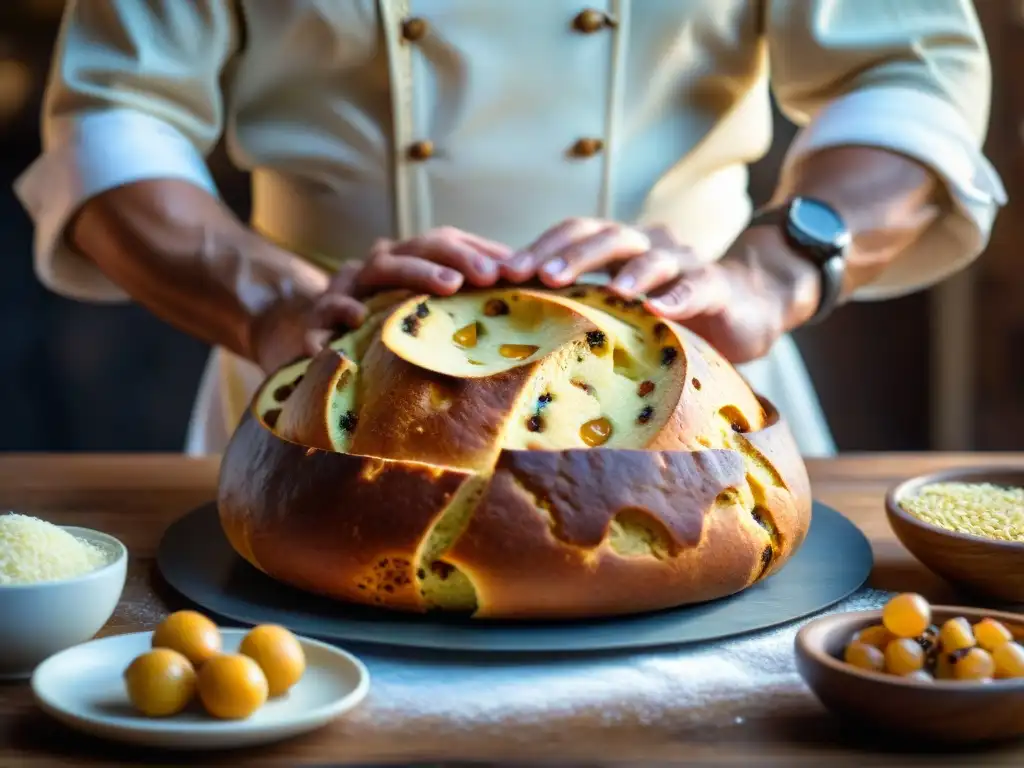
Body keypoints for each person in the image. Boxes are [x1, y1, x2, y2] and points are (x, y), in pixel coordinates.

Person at [15, 0, 1005, 458]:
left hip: (687, 381)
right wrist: (273, 302)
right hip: (315, 386)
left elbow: (906, 73)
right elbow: (112, 118)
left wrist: (771, 272)